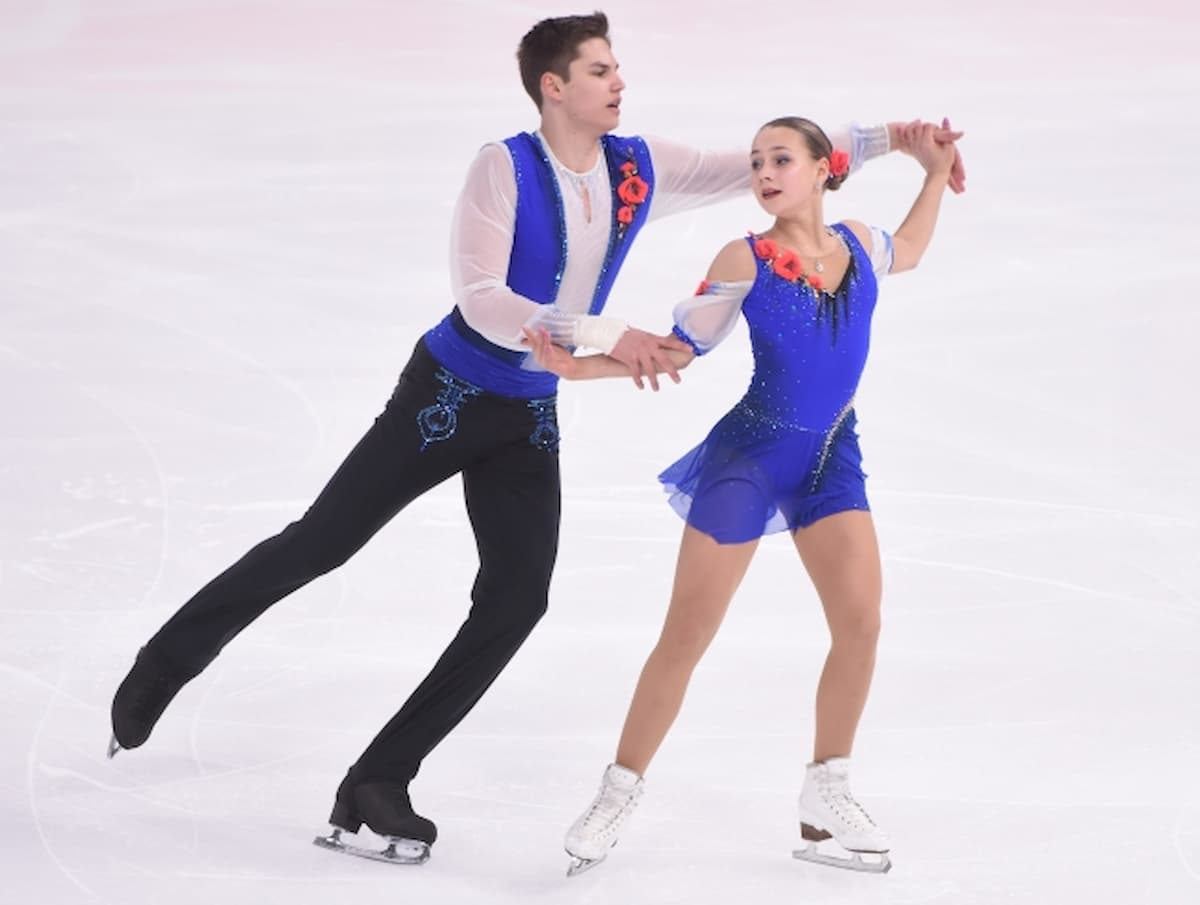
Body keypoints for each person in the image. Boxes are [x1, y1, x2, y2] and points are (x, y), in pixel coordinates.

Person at [108, 10, 964, 865]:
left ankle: (378, 779)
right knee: (325, 541)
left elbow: (773, 161)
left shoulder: (640, 166)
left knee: (517, 600)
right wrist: (596, 332)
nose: (618, 80)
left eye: (616, 66)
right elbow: (480, 296)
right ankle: (167, 659)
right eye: (600, 70)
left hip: (526, 412)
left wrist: (899, 137)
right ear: (556, 87)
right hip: (445, 394)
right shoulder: (504, 166)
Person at [524, 115, 959, 875]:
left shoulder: (859, 243)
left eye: (781, 158)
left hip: (829, 457)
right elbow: (674, 350)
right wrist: (578, 365)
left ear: (825, 167)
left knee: (861, 622)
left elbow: (913, 247)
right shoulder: (746, 257)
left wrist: (932, 174)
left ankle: (827, 787)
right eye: (757, 161)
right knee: (688, 631)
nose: (763, 172)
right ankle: (617, 790)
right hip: (750, 458)